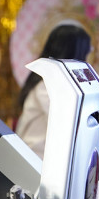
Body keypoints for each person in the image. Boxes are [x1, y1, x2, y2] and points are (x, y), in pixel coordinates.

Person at [15, 24, 92, 159]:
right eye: (86, 51)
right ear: (75, 52)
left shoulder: (55, 79)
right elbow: (67, 121)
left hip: (48, 156)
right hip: (36, 158)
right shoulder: (47, 83)